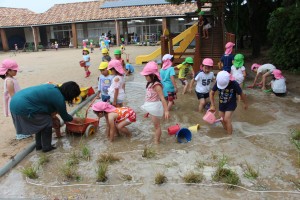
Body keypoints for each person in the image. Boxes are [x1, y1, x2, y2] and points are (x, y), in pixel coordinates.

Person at [10, 81, 81, 152]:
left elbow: (48, 108)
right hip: (22, 106)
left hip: (14, 102)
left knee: (40, 123)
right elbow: (65, 116)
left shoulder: (52, 88)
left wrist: (54, 117)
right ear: (70, 94)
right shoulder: (59, 98)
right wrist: (75, 120)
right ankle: (47, 147)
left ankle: (39, 146)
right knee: (47, 122)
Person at [140, 61, 169, 144]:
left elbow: (162, 99)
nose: (145, 77)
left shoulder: (157, 85)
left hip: (155, 107)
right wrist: (148, 111)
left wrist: (166, 110)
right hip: (151, 107)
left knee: (157, 126)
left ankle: (157, 142)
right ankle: (156, 139)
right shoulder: (150, 83)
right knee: (155, 126)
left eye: (146, 75)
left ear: (152, 75)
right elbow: (149, 98)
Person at [0, 59, 30, 140]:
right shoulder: (9, 81)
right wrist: (18, 103)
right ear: (8, 71)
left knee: (21, 118)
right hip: (15, 103)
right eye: (14, 70)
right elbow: (12, 95)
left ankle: (24, 132)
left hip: (17, 101)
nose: (16, 71)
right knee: (18, 119)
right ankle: (20, 134)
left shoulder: (11, 78)